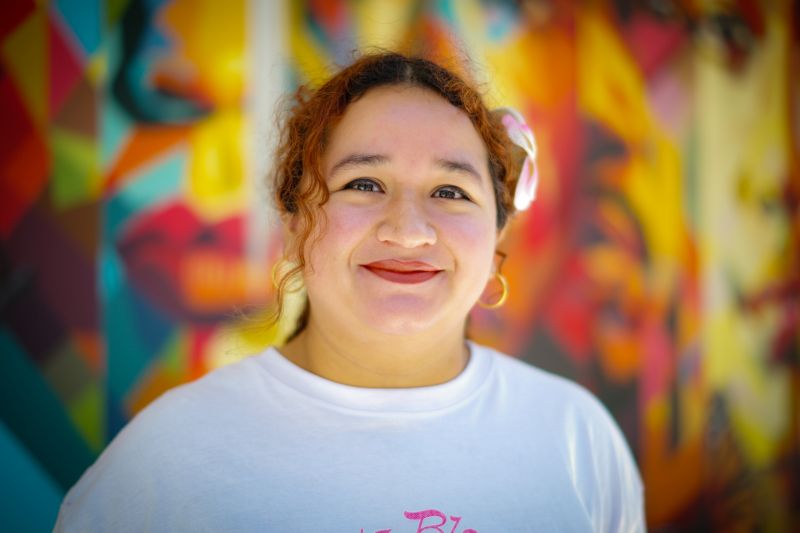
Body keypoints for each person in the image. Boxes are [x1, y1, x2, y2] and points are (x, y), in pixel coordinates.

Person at [55, 52, 644, 532]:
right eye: (364, 183)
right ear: (292, 225)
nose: (409, 231)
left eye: (451, 191)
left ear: (497, 236)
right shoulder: (170, 458)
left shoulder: (574, 436)